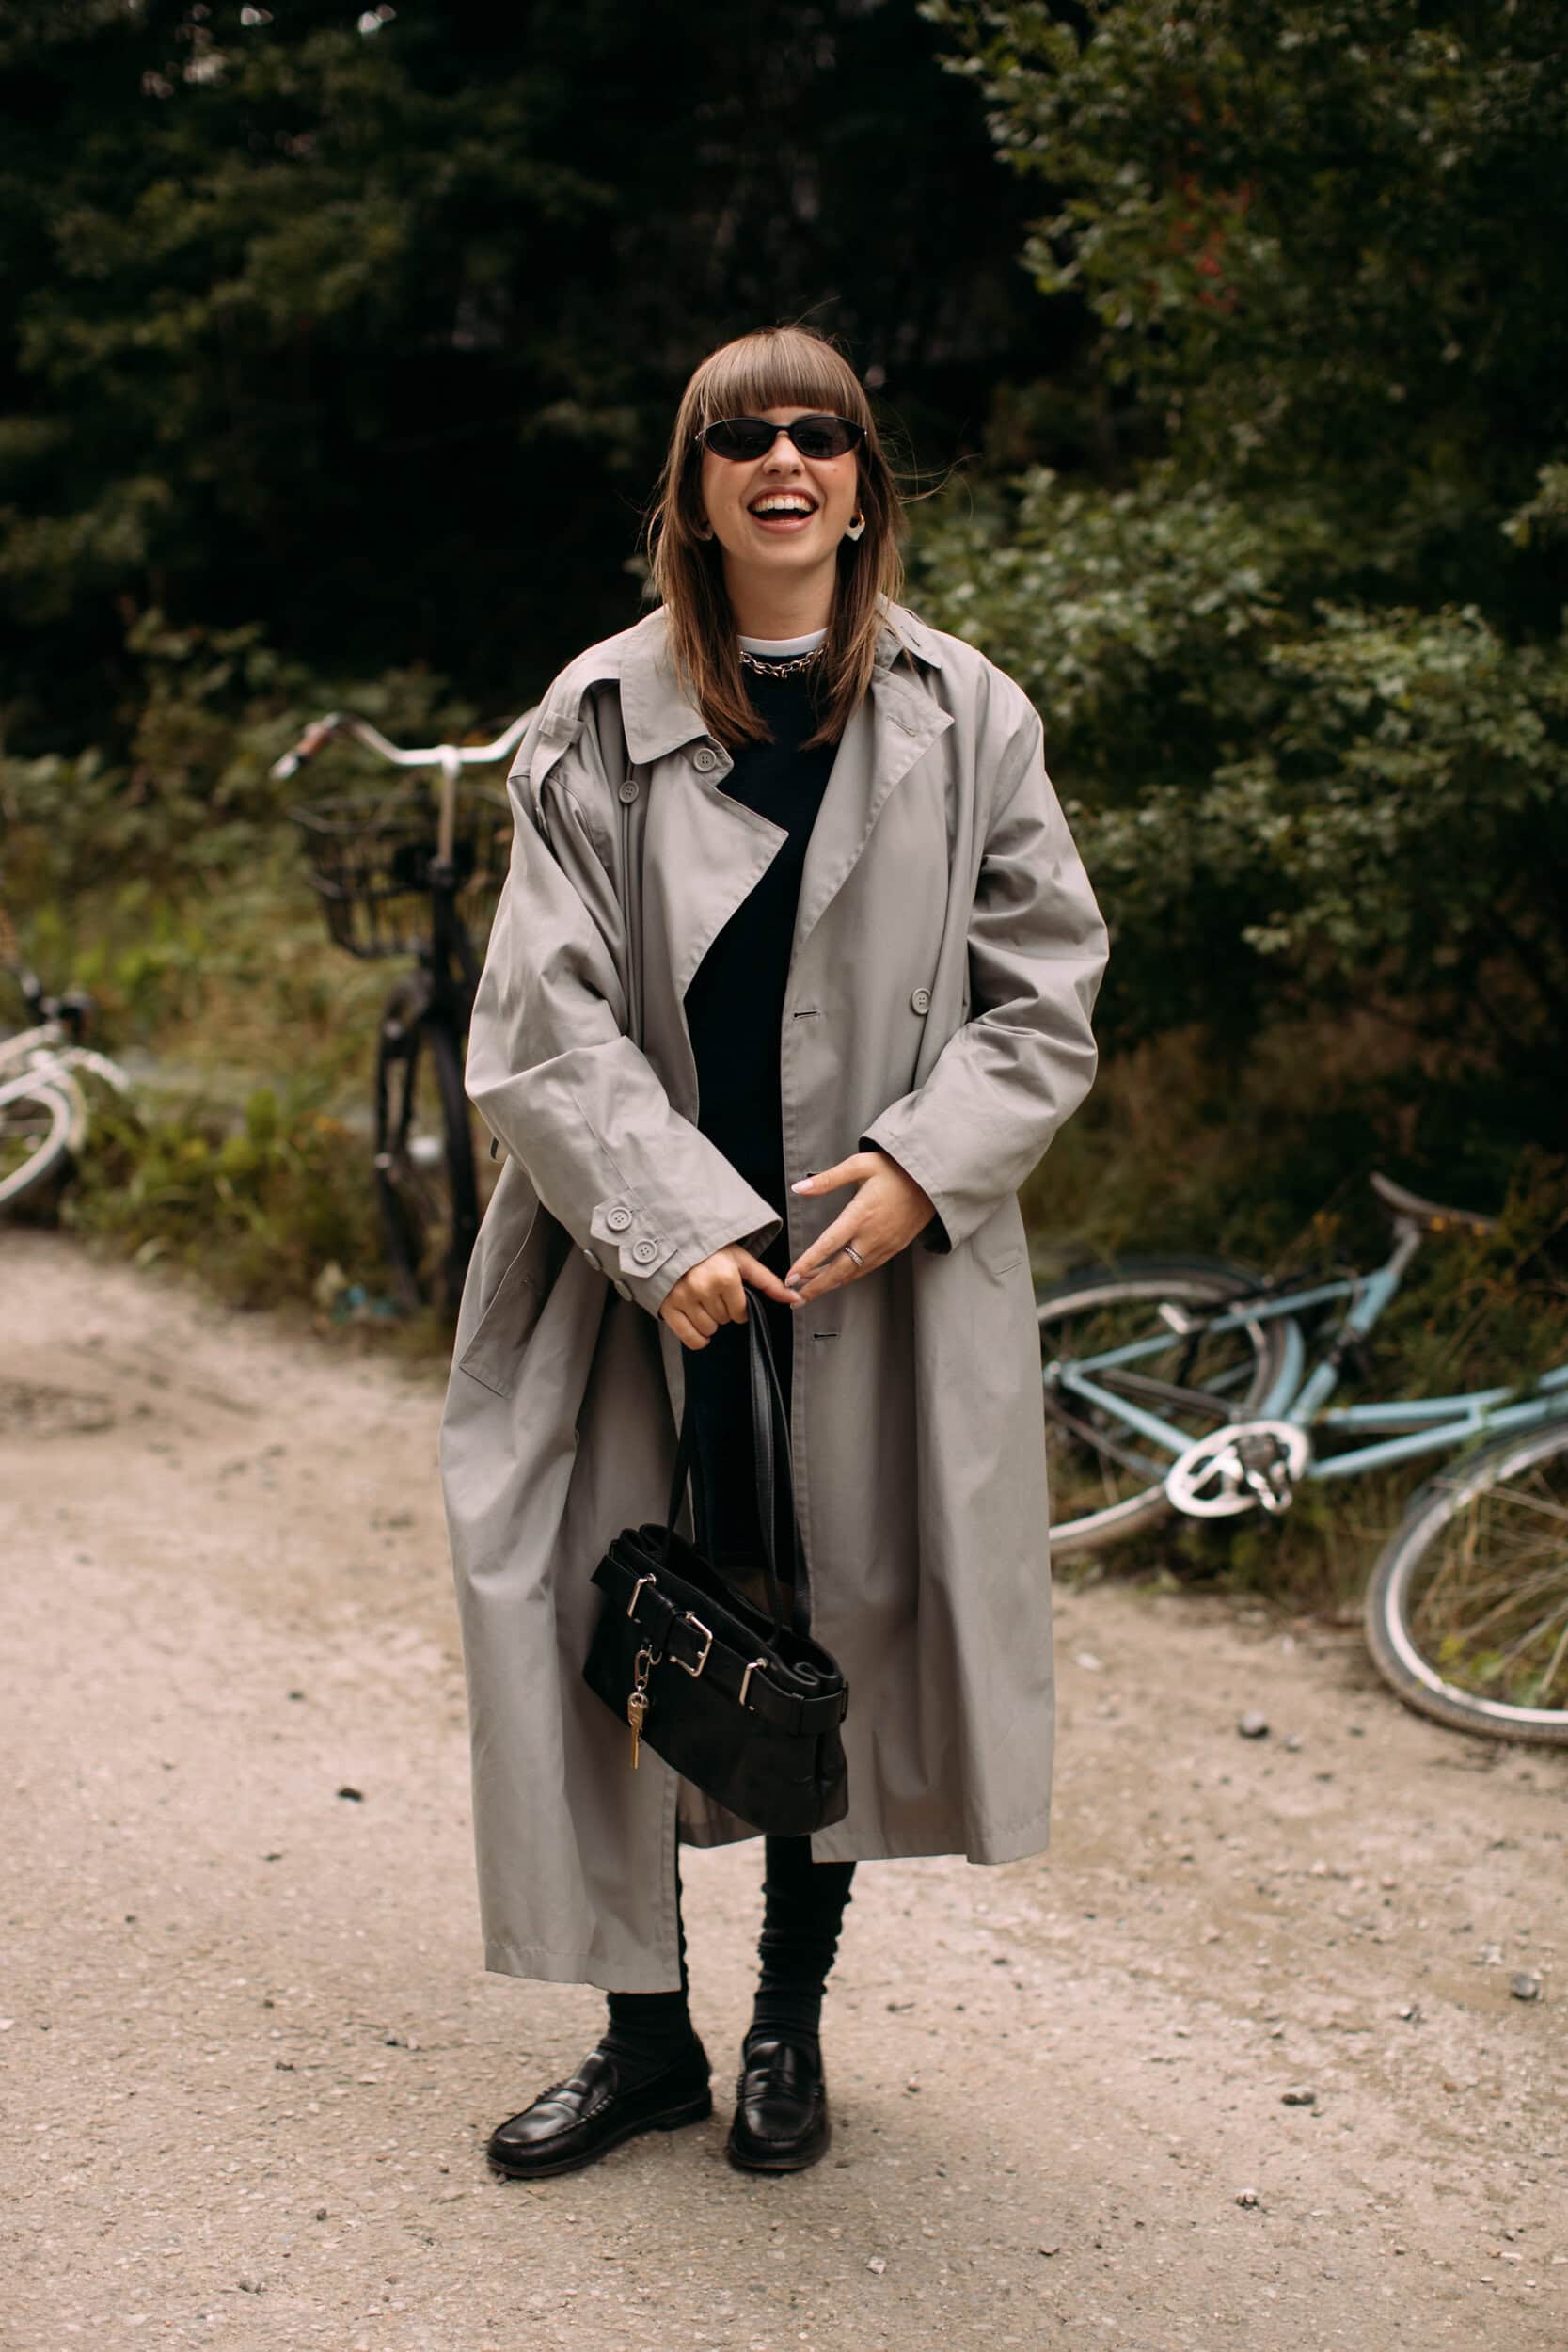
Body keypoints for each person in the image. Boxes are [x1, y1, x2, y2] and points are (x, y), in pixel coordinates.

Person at [437, 324, 1109, 2180]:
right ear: (696, 489)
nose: (785, 462)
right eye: (743, 439)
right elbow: (540, 1017)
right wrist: (666, 1226)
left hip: (872, 1266)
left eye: (820, 434)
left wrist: (922, 1163)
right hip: (629, 1258)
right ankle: (643, 2041)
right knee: (610, 1625)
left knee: (828, 1629)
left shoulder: (971, 715)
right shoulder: (594, 716)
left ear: (866, 482)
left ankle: (787, 2022)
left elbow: (1048, 993)